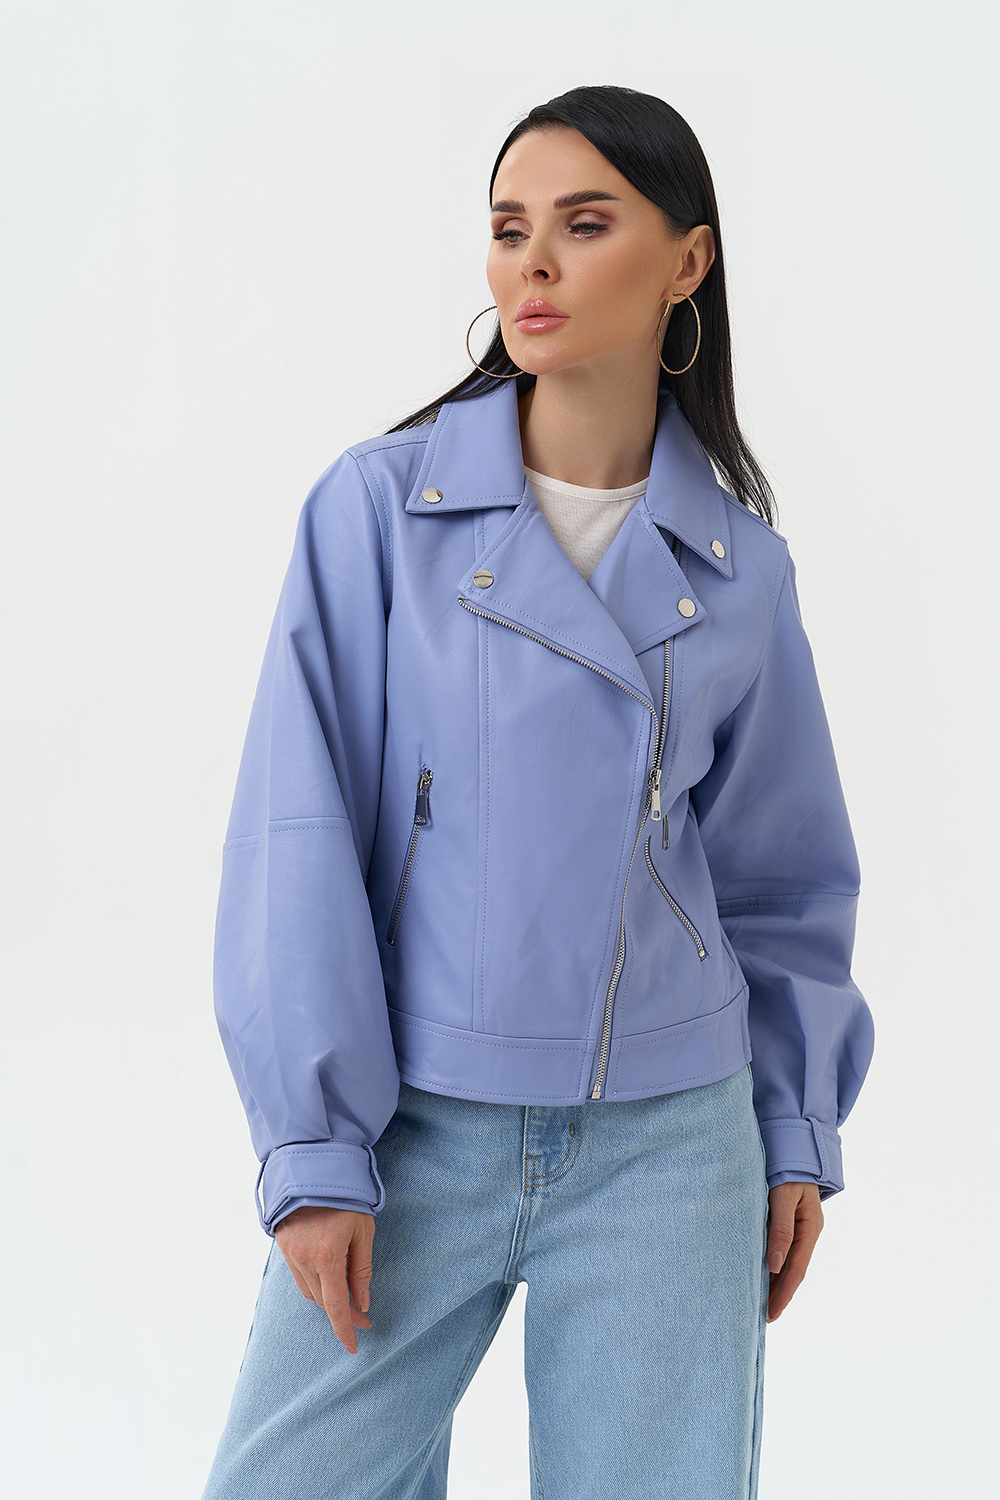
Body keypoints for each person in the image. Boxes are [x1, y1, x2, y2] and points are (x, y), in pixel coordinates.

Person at [201, 84, 875, 1500]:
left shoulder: (741, 570)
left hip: (673, 1145)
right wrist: (315, 1146)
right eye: (511, 230)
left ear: (687, 261)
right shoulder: (378, 514)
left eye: (585, 223)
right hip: (414, 1125)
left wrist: (793, 1129)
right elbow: (295, 834)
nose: (536, 265)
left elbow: (783, 879)